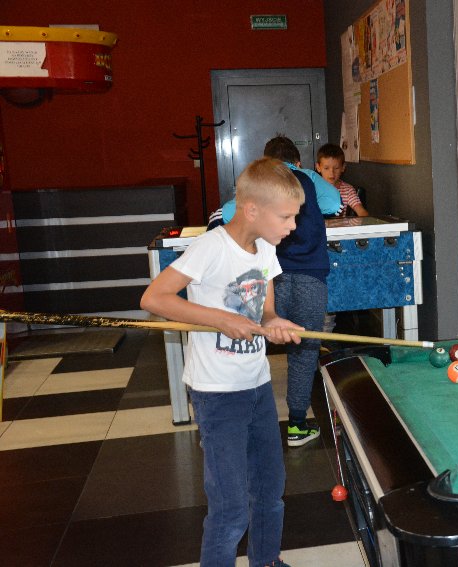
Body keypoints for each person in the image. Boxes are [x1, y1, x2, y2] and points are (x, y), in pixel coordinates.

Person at [140, 157, 305, 567]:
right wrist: (220, 319)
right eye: (286, 216)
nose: (293, 226)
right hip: (217, 393)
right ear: (252, 210)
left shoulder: (266, 248)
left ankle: (266, 561)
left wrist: (274, 322)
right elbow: (154, 298)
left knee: (269, 490)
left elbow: (265, 311)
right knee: (230, 506)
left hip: (257, 385)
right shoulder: (210, 247)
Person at [208, 136, 340, 447]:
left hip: (267, 275)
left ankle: (237, 425)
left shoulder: (262, 182)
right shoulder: (307, 177)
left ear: (266, 160)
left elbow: (224, 215)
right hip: (310, 275)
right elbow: (335, 204)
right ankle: (297, 425)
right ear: (298, 161)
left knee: (249, 346)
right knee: (304, 349)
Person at [315, 143, 369, 217]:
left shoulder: (348, 190)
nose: (331, 173)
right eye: (326, 168)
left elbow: (361, 211)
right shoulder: (312, 188)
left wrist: (367, 220)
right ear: (318, 167)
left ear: (343, 167)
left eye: (336, 168)